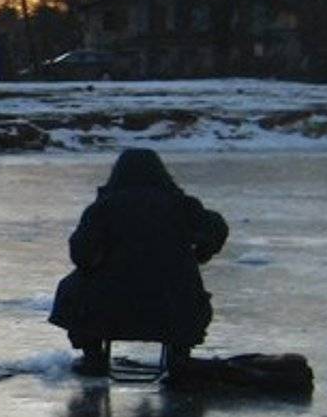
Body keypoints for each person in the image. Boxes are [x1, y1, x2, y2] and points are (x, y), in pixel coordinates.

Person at [48, 148, 229, 375]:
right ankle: (180, 352)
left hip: (110, 309)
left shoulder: (103, 208)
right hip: (173, 308)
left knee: (71, 288)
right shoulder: (183, 205)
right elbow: (217, 227)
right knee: (188, 292)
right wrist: (201, 254)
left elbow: (81, 255)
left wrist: (97, 265)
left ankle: (92, 353)